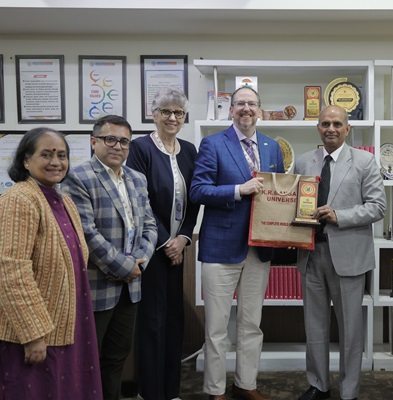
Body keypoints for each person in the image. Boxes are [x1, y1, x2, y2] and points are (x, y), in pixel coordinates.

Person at [190, 86, 284, 400]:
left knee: (251, 324)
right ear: (231, 110)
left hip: (259, 248)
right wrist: (238, 190)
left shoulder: (272, 147)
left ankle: (245, 385)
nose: (246, 108)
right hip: (220, 248)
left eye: (252, 104)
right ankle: (215, 390)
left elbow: (280, 193)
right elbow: (198, 190)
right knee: (217, 328)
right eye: (240, 103)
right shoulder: (213, 143)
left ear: (260, 110)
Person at [0, 128, 102, 399]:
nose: (56, 162)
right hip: (33, 336)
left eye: (62, 155)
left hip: (66, 328)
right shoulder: (19, 199)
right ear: (26, 160)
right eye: (46, 155)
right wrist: (32, 333)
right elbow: (11, 270)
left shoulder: (63, 201)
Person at [62, 115, 158, 400]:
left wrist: (140, 262)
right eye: (110, 139)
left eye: (124, 141)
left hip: (131, 287)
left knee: (116, 358)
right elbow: (86, 233)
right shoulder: (78, 177)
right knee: (88, 360)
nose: (118, 146)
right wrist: (127, 267)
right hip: (97, 287)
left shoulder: (137, 179)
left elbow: (150, 225)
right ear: (94, 142)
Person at [295, 105, 386, 400]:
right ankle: (318, 385)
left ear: (347, 129)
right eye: (325, 124)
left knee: (350, 330)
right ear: (318, 128)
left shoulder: (364, 161)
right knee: (314, 326)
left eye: (337, 124)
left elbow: (378, 207)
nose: (330, 129)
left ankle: (349, 391)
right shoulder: (303, 161)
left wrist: (339, 216)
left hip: (349, 256)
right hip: (311, 255)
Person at [127, 88, 200, 400]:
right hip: (150, 249)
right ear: (154, 115)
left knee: (174, 322)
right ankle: (151, 393)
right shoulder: (140, 148)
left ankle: (171, 392)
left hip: (178, 248)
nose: (172, 117)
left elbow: (195, 197)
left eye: (178, 113)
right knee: (153, 323)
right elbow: (140, 200)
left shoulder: (189, 151)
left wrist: (183, 238)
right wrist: (165, 241)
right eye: (166, 111)